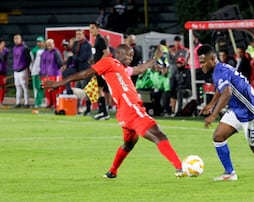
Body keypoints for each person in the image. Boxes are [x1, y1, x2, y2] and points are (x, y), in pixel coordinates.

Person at [43, 43, 187, 179]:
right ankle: (180, 167)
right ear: (118, 53)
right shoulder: (109, 62)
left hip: (124, 113)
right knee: (159, 135)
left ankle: (112, 171)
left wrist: (155, 58)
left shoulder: (122, 68)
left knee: (129, 144)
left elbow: (138, 69)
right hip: (131, 109)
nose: (130, 58)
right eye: (128, 55)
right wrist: (59, 83)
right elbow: (85, 73)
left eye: (132, 56)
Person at [198, 44, 254, 181]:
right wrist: (211, 104)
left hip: (251, 112)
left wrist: (214, 114)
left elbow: (227, 92)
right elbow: (220, 89)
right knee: (218, 137)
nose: (201, 65)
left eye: (203, 62)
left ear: (212, 59)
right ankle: (230, 173)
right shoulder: (219, 70)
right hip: (236, 110)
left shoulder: (220, 71)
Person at [89, 21, 110, 120]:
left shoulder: (100, 39)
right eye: (90, 28)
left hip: (100, 68)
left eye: (92, 28)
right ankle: (102, 111)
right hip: (97, 67)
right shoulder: (96, 39)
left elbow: (106, 52)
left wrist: (99, 64)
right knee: (98, 89)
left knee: (100, 89)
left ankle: (104, 112)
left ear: (98, 29)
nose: (91, 30)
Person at [12, 34, 31, 108]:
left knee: (24, 86)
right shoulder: (14, 48)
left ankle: (27, 103)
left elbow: (28, 59)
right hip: (16, 69)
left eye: (17, 38)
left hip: (23, 69)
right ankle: (18, 102)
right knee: (17, 86)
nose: (16, 40)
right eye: (15, 39)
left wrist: (26, 67)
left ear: (21, 39)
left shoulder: (24, 48)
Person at [30, 36, 46, 108]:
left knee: (42, 87)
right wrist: (32, 70)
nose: (39, 43)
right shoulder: (34, 51)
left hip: (43, 72)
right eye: (38, 42)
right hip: (35, 72)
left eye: (40, 41)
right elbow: (31, 62)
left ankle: (41, 101)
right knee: (36, 87)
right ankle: (37, 103)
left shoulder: (46, 50)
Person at [0, 38, 9, 105]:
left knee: (2, 86)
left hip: (3, 72)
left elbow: (3, 59)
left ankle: (1, 101)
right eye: (2, 44)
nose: (4, 45)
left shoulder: (5, 51)